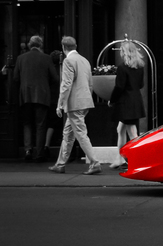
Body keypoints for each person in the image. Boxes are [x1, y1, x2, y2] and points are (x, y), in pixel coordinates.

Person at [48, 36, 101, 175]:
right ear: (75, 46)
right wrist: (87, 101)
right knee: (68, 134)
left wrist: (60, 104)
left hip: (74, 104)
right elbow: (90, 84)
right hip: (84, 102)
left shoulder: (68, 61)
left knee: (80, 134)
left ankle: (95, 162)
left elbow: (66, 85)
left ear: (63, 47)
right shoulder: (84, 60)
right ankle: (60, 164)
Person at [13, 35, 58, 162]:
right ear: (41, 45)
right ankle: (39, 153)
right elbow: (55, 78)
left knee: (27, 123)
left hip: (25, 95)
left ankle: (28, 150)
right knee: (40, 125)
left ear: (29, 45)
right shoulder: (46, 58)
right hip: (42, 95)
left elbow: (15, 78)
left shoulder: (21, 58)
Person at [108, 40, 146, 169]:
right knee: (121, 130)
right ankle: (121, 158)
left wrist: (111, 99)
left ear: (125, 52)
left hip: (125, 103)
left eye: (122, 51)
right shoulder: (140, 67)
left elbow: (119, 86)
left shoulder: (122, 68)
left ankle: (138, 160)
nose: (121, 53)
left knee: (132, 133)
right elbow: (141, 85)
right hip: (135, 101)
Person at [44, 50, 64, 159]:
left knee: (51, 123)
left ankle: (47, 145)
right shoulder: (63, 69)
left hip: (52, 99)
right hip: (61, 99)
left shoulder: (50, 70)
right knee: (64, 123)